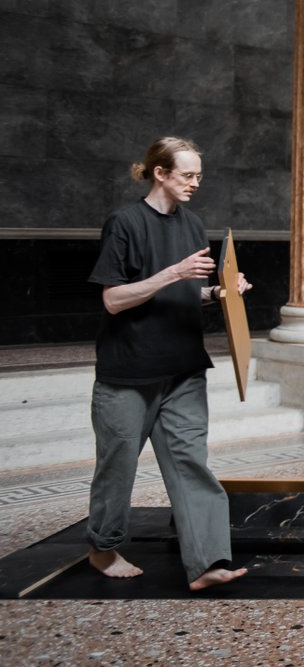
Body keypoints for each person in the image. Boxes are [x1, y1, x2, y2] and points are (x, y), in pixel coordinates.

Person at [86, 136, 250, 591]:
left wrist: (220, 293)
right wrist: (173, 273)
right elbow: (114, 299)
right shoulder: (124, 223)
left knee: (190, 462)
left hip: (183, 368)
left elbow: (185, 293)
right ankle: (103, 547)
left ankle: (206, 562)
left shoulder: (193, 224)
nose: (196, 183)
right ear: (160, 173)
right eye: (188, 175)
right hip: (128, 373)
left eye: (199, 175)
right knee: (118, 465)